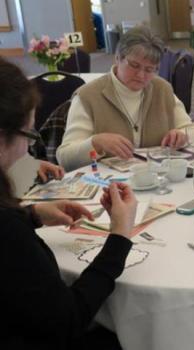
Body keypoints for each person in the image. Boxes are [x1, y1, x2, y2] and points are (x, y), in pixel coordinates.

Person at [0, 57, 138, 349]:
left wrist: (33, 214)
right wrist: (119, 238)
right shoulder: (8, 232)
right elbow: (69, 320)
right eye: (29, 134)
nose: (28, 148)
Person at [57, 26, 192, 171]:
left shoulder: (162, 89)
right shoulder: (88, 96)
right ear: (117, 58)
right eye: (134, 65)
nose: (141, 75)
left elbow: (192, 130)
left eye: (149, 69)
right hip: (109, 185)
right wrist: (96, 142)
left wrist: (182, 135)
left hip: (156, 179)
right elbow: (65, 158)